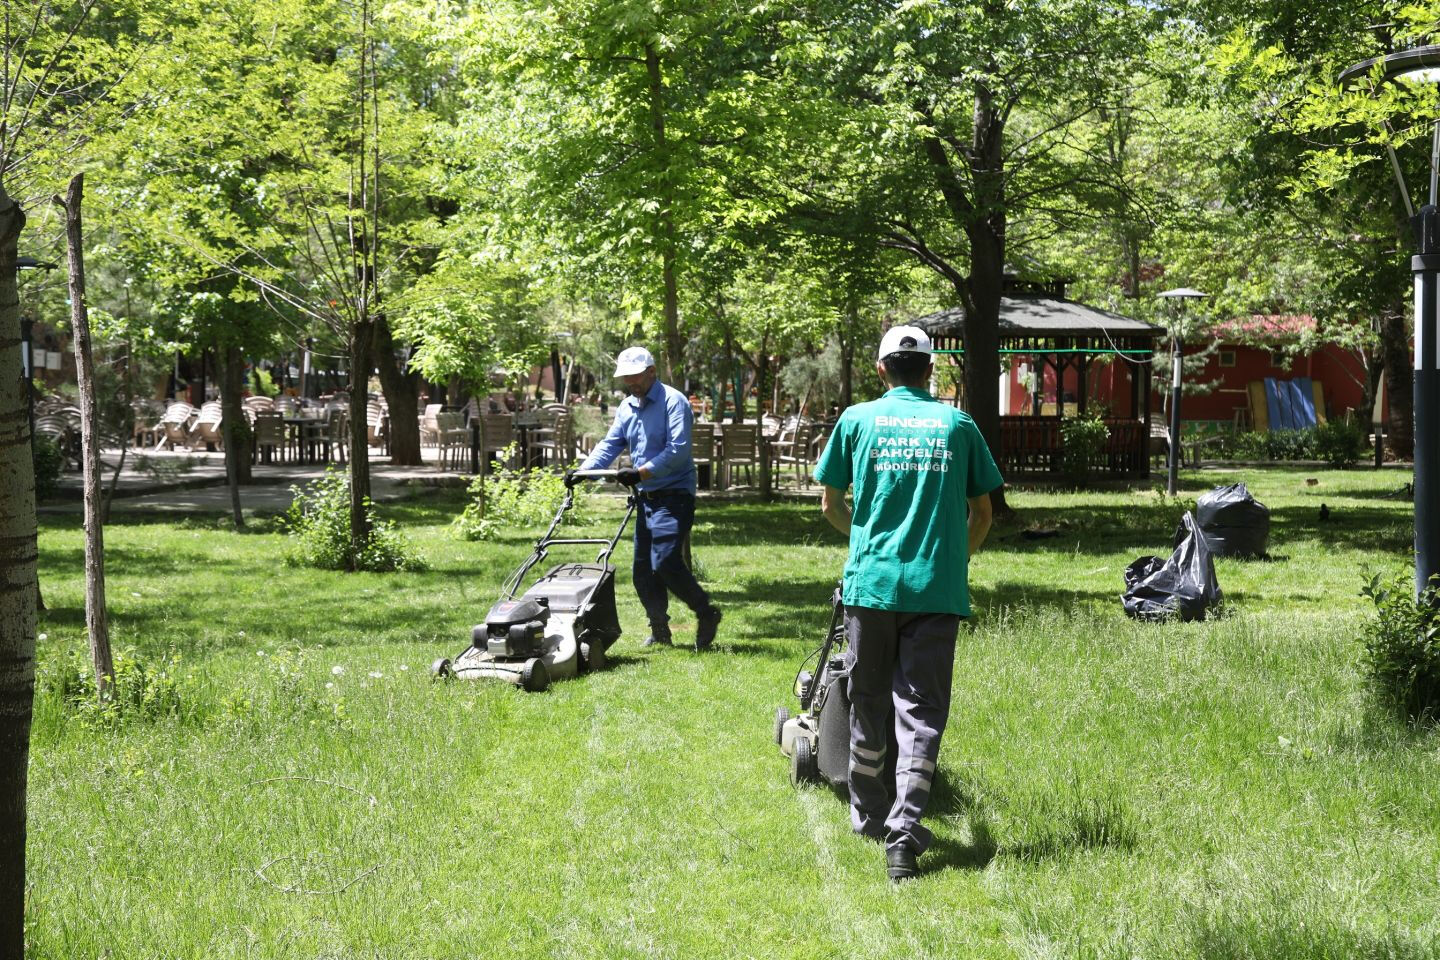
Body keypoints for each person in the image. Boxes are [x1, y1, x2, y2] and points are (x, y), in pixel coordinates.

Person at [813, 325, 1003, 883]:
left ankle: (869, 815)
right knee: (921, 713)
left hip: (870, 587)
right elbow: (983, 514)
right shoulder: (958, 425)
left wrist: (865, 542)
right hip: (935, 590)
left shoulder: (856, 420)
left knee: (868, 699)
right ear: (929, 370)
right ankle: (904, 835)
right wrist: (953, 560)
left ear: (881, 369)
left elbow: (830, 504)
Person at [572, 346, 723, 651]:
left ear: (652, 372)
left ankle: (706, 612)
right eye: (626, 377)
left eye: (635, 376)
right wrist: (583, 472)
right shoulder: (627, 407)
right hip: (645, 499)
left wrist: (641, 473)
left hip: (675, 495)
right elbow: (610, 444)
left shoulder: (673, 402)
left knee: (665, 560)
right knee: (643, 571)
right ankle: (659, 629)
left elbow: (678, 450)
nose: (630, 382)